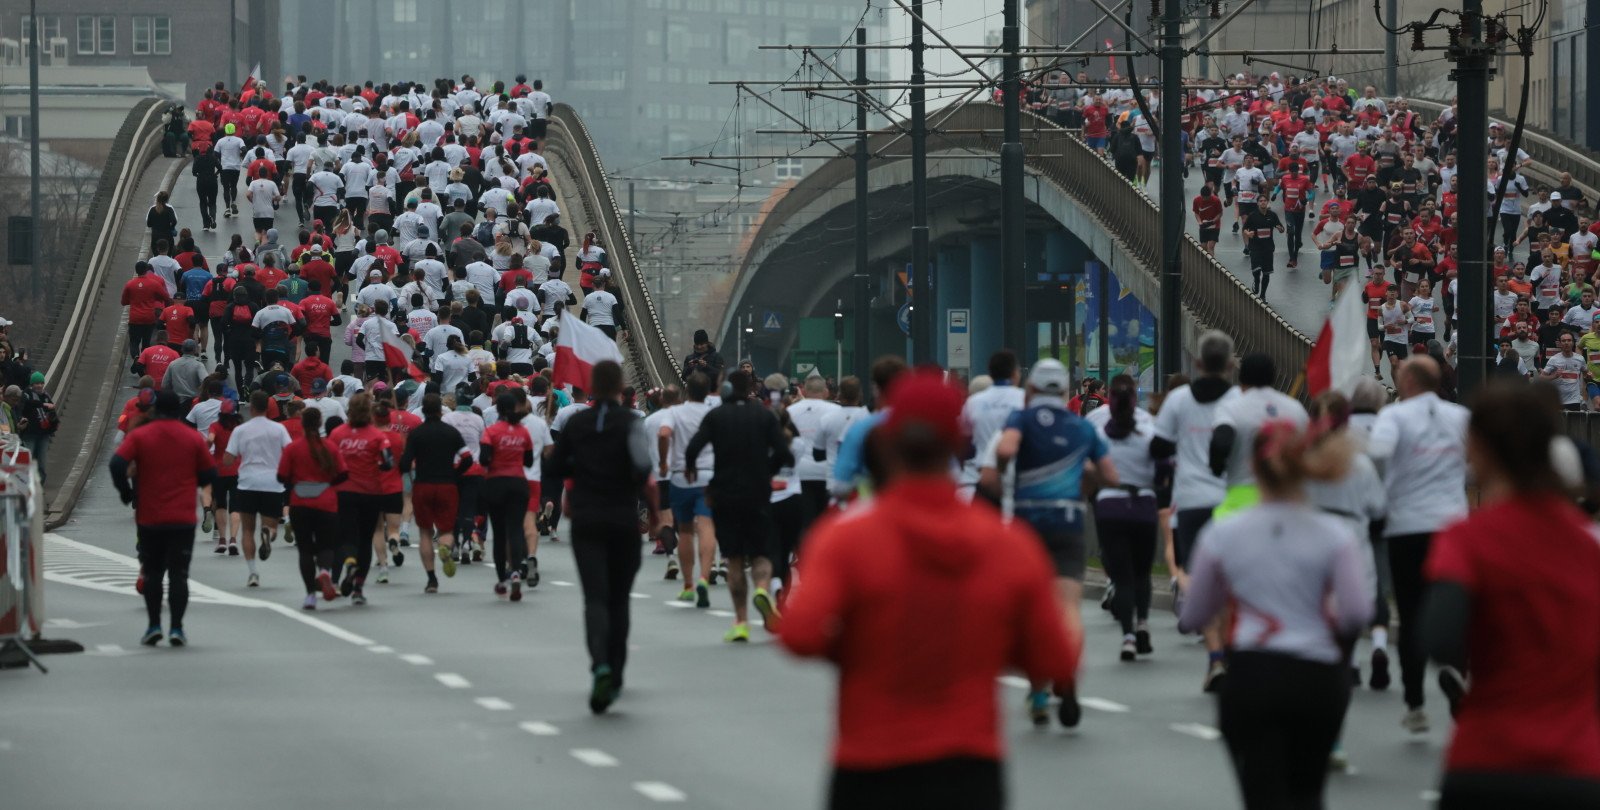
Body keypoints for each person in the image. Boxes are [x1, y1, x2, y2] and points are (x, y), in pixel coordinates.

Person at [780, 368, 1079, 810]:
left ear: (887, 444)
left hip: (870, 762)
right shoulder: (1009, 545)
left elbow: (799, 633)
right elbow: (1055, 657)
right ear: (959, 445)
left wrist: (857, 644)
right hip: (968, 768)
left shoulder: (845, 538)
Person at [1178, 419, 1373, 810]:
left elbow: (1193, 614)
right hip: (1316, 678)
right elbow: (1356, 612)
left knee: (1261, 793)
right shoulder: (1335, 534)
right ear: (1306, 462)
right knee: (1307, 792)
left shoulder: (1224, 533)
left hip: (1253, 675)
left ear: (1253, 466)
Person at [1424, 381, 1600, 808]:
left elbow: (1438, 638)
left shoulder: (1467, 539)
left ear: (1481, 448)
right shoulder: (1589, 545)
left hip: (1487, 759)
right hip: (1577, 767)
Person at [994, 358, 1116, 728]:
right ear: (1065, 392)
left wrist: (1008, 479)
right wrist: (1085, 482)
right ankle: (1067, 673)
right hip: (1068, 522)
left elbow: (1004, 451)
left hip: (1028, 524)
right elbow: (1110, 476)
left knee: (1031, 610)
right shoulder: (1082, 428)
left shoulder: (1021, 419)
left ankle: (1038, 692)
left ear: (1030, 390)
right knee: (1066, 610)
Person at [545, 360, 658, 714]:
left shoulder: (577, 424)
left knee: (595, 597)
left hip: (587, 520)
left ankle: (600, 666)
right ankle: (618, 672)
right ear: (620, 387)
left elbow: (556, 467)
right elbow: (642, 468)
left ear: (591, 386)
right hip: (623, 520)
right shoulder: (631, 423)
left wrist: (576, 466)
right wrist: (653, 514)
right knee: (619, 599)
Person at [1367, 355, 1470, 734]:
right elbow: (1475, 465)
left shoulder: (1394, 416)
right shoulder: (1460, 416)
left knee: (1410, 614)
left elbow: (1377, 454)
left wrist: (1382, 486)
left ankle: (1415, 703)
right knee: (1452, 607)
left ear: (1407, 381)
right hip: (1453, 526)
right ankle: (1454, 671)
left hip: (1407, 525)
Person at [684, 369, 794, 641]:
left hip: (724, 494)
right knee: (761, 553)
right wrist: (766, 471)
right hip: (757, 493)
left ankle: (741, 622)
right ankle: (762, 588)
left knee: (733, 558)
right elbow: (784, 453)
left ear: (727, 389)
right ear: (750, 389)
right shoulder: (764, 416)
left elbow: (693, 449)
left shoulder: (716, 416)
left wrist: (690, 469)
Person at [110, 391, 216, 646]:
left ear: (155, 409)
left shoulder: (141, 436)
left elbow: (116, 463)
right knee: (179, 574)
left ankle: (154, 625)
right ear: (179, 412)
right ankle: (177, 628)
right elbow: (210, 471)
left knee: (153, 573)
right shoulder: (191, 438)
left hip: (150, 516)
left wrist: (127, 492)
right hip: (182, 517)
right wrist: (195, 481)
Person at [1087, 375, 1164, 661]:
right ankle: (1143, 622)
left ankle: (1128, 637)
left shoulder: (1100, 429)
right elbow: (1162, 464)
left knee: (1122, 577)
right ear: (1135, 398)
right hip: (1143, 505)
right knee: (1142, 573)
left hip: (1110, 506)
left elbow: (1090, 464)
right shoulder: (1148, 426)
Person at [399, 393, 471, 594]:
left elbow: (405, 463)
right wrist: (455, 474)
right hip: (447, 484)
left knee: (425, 532)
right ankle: (446, 548)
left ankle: (431, 579)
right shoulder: (451, 432)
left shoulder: (417, 434)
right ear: (440, 410)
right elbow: (467, 458)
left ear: (423, 410)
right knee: (446, 530)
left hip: (423, 485)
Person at [276, 408, 347, 610]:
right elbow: (343, 474)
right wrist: (328, 482)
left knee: (305, 550)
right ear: (320, 423)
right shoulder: (330, 447)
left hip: (300, 503)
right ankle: (325, 571)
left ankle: (310, 595)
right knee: (327, 545)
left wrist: (297, 481)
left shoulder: (293, 449)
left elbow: (281, 476)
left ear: (302, 424)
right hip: (326, 502)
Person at [658, 372, 719, 604]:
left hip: (681, 477)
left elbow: (664, 434)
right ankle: (705, 575)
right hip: (708, 476)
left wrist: (664, 461)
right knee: (706, 527)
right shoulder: (713, 413)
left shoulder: (675, 412)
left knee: (684, 530)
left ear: (687, 391)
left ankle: (688, 584)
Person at [329, 393, 395, 607]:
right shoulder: (377, 436)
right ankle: (358, 587)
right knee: (366, 540)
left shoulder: (337, 434)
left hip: (343, 492)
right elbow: (388, 462)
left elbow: (329, 461)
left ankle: (348, 563)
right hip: (370, 492)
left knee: (344, 537)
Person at [223, 391, 292, 587]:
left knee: (247, 530)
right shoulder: (278, 429)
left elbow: (227, 460)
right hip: (272, 483)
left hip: (247, 483)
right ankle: (267, 536)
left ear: (251, 408)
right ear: (267, 408)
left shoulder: (240, 430)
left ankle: (253, 572)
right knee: (271, 527)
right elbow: (289, 452)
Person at [480, 391, 537, 601]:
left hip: (495, 484)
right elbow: (529, 462)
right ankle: (515, 572)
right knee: (515, 529)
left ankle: (502, 579)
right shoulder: (523, 432)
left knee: (499, 533)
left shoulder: (491, 431)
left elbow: (484, 459)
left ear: (497, 409)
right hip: (518, 484)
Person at [959, 350, 1025, 502]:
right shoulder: (1024, 399)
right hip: (1016, 477)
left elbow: (964, 439)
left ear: (990, 373)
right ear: (1015, 373)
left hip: (982, 476)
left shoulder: (973, 402)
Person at [17, 372, 58, 484]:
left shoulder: (46, 396)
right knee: (29, 459)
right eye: (36, 383)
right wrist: (43, 405)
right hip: (30, 434)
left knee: (42, 461)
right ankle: (27, 483)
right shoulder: (27, 394)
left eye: (41, 383)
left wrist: (53, 425)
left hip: (44, 434)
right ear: (32, 384)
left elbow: (53, 412)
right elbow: (30, 403)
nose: (39, 386)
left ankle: (40, 484)